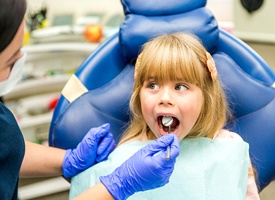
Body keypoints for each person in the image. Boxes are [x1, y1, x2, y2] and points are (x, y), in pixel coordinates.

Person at [0, 0, 180, 199]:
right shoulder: (123, 156)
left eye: (181, 86)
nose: (165, 98)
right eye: (10, 61)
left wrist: (69, 160)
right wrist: (119, 184)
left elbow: (5, 150)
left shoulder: (221, 147)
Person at [70, 32, 260, 199]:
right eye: (152, 85)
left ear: (206, 97)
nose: (165, 98)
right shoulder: (127, 155)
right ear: (138, 95)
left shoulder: (228, 147)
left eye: (180, 87)